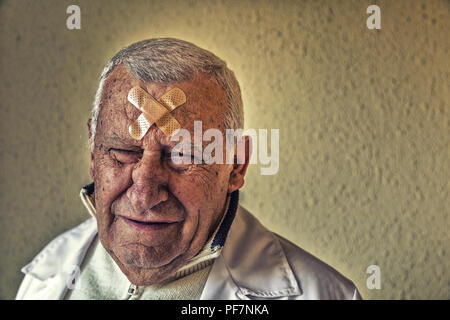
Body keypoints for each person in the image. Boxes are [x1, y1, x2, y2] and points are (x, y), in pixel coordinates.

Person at [16, 38, 361, 300]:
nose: (144, 194)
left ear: (236, 164)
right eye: (122, 152)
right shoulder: (49, 273)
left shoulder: (325, 294)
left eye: (182, 156)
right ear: (93, 151)